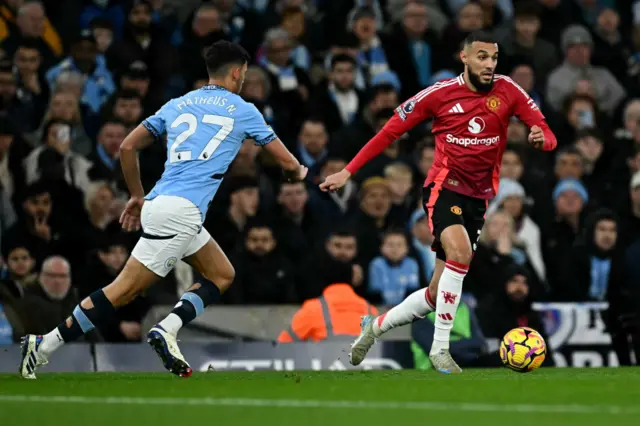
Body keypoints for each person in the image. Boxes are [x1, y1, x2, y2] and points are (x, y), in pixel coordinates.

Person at [19, 40, 307, 379]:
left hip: (161, 203)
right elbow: (289, 162)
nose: (243, 80)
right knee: (122, 291)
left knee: (221, 274)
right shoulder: (244, 110)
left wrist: (137, 195)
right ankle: (47, 344)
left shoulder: (178, 104)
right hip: (181, 213)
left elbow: (127, 147)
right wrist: (296, 173)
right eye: (243, 74)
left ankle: (166, 327)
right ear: (236, 72)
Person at [320, 31, 558, 373]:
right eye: (481, 57)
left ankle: (372, 328)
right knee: (460, 255)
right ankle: (440, 349)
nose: (489, 64)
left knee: (436, 293)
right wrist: (348, 171)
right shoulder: (439, 95)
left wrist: (541, 138)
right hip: (444, 187)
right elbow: (389, 131)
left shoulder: (508, 90)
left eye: (493, 57)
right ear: (464, 57)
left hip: (479, 198)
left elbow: (548, 135)